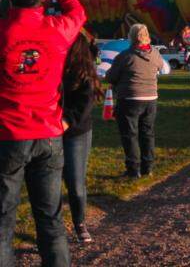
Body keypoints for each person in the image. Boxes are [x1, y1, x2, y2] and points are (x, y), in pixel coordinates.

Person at [0, 0, 86, 267]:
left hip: (8, 136)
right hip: (49, 136)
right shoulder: (58, 29)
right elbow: (78, 11)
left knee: (3, 224)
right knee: (50, 221)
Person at [105, 24, 164, 178]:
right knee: (147, 133)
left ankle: (133, 169)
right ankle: (147, 167)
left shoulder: (125, 56)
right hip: (151, 98)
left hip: (130, 99)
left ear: (131, 37)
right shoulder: (155, 54)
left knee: (130, 135)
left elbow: (110, 77)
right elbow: (161, 68)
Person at [62, 32, 103, 244]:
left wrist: (66, 121)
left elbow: (85, 103)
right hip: (48, 130)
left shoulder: (84, 71)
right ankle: (52, 227)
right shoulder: (53, 63)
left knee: (75, 183)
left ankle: (79, 223)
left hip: (76, 132)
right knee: (49, 184)